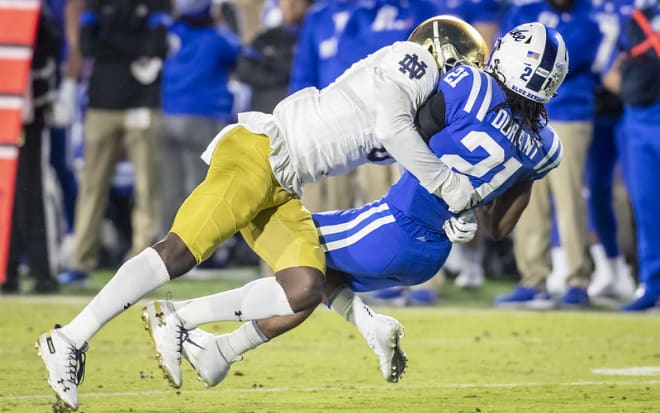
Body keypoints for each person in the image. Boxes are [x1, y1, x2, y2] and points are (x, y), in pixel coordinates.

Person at [35, 15, 483, 411]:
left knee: (305, 285)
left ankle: (177, 317)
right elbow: (393, 131)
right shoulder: (414, 60)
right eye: (464, 69)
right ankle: (69, 339)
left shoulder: (411, 96)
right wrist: (449, 186)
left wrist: (450, 211)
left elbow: (409, 148)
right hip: (261, 152)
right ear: (443, 55)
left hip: (284, 184)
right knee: (179, 253)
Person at [173, 21, 570, 389]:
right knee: (319, 279)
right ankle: (224, 351)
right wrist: (465, 207)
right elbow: (499, 228)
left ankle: (180, 317)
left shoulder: (472, 84)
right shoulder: (546, 148)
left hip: (393, 226)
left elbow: (412, 133)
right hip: (431, 255)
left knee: (294, 262)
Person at [494, 0, 601, 309]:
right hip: (524, 117)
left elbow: (562, 60)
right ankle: (533, 279)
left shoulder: (587, 19)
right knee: (525, 198)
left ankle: (578, 279)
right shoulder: (523, 12)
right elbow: (503, 56)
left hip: (569, 114)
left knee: (569, 199)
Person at [56, 0, 171, 285]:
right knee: (92, 185)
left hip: (142, 103)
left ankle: (142, 264)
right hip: (102, 103)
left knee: (148, 187)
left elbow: (158, 45)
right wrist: (135, 48)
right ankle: (81, 260)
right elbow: (88, 45)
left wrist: (115, 43)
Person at [159, 0, 241, 236]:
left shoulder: (173, 33)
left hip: (168, 114)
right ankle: (202, 246)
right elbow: (240, 54)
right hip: (203, 115)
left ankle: (167, 245)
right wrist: (228, 22)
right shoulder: (217, 38)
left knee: (171, 187)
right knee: (204, 187)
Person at [604, 1, 660, 311]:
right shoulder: (638, 18)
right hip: (638, 121)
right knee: (646, 205)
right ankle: (652, 285)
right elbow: (610, 75)